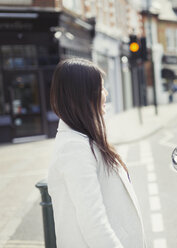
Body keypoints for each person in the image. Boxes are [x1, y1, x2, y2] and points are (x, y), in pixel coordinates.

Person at [48, 58, 146, 248]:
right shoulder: (73, 148)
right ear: (83, 96)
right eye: (101, 88)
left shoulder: (84, 140)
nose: (106, 93)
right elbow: (93, 223)